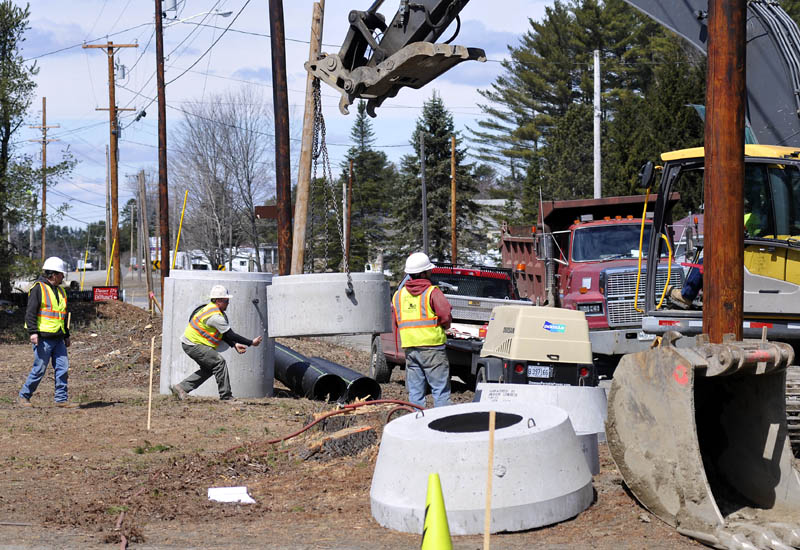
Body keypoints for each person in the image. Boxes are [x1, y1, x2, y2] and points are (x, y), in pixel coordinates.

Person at [171, 284, 263, 403]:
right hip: (193, 344)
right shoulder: (215, 316)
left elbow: (223, 334)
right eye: (226, 300)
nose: (228, 303)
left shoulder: (211, 309)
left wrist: (234, 345)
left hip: (190, 343)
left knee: (210, 368)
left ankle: (181, 388)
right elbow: (231, 334)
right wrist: (251, 343)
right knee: (219, 362)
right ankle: (226, 396)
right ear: (218, 301)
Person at [391, 252, 453, 408]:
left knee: (415, 392)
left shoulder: (398, 295)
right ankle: (443, 425)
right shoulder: (433, 292)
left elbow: (397, 321)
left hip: (410, 348)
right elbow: (445, 315)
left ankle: (416, 422)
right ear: (423, 273)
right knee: (440, 390)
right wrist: (444, 326)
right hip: (433, 349)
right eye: (429, 270)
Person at [19, 257, 77, 408]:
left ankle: (61, 400)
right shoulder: (38, 288)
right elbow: (30, 313)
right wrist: (33, 333)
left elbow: (62, 316)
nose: (63, 277)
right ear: (53, 274)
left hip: (58, 338)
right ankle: (24, 396)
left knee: (63, 368)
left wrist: (66, 335)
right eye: (61, 274)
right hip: (43, 338)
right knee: (39, 369)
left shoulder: (61, 291)